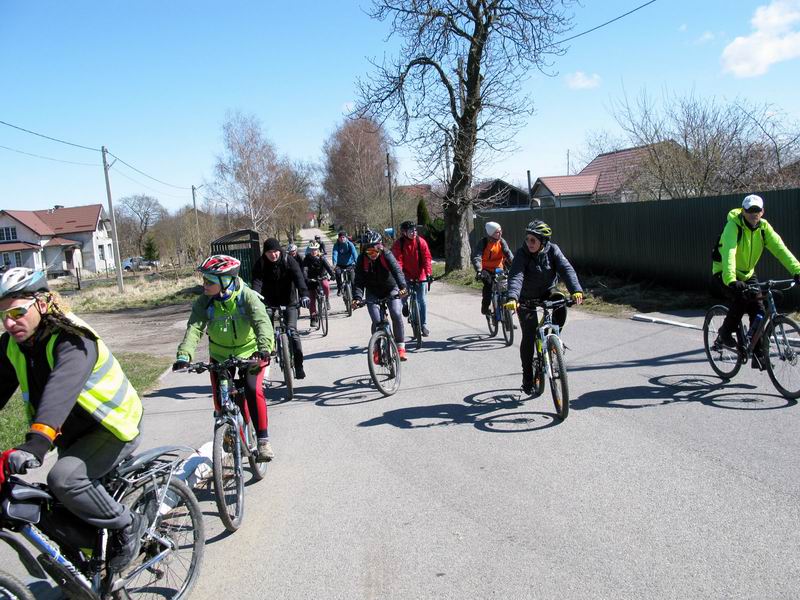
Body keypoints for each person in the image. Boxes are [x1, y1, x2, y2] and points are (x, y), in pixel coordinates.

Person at [0, 268, 146, 572]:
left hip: (112, 425)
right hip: (72, 431)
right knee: (58, 506)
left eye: (17, 311)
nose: (9, 322)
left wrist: (37, 443)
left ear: (41, 303)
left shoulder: (74, 338)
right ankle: (90, 565)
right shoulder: (13, 344)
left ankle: (128, 524)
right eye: (2, 314)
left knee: (64, 479)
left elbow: (59, 393)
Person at [173, 255, 275, 460]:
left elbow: (262, 323)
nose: (204, 285)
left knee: (253, 390)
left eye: (209, 281)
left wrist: (264, 348)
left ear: (225, 280)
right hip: (220, 354)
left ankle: (263, 441)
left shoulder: (247, 296)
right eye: (204, 280)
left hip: (250, 352)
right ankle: (228, 431)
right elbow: (194, 328)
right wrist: (184, 355)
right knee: (221, 401)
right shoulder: (204, 301)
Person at [711, 194, 800, 367]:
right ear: (743, 211)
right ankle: (725, 334)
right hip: (724, 271)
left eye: (757, 210)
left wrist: (797, 270)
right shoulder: (733, 226)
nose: (754, 214)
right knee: (742, 299)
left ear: (762, 211)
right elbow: (729, 252)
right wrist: (731, 280)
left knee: (759, 307)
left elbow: (781, 250)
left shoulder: (764, 228)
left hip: (747, 273)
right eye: (750, 210)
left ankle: (758, 354)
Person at [503, 221, 584, 395]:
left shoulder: (553, 250)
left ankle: (553, 339)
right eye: (527, 239)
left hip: (548, 291)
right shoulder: (522, 254)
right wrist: (513, 297)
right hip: (525, 298)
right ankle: (527, 377)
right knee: (529, 333)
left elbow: (566, 269)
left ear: (543, 241)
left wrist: (576, 290)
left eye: (533, 240)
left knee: (560, 301)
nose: (529, 243)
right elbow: (516, 276)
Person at [252, 238, 310, 379]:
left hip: (289, 300)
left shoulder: (288, 260)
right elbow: (257, 282)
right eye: (270, 252)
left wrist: (304, 295)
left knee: (293, 332)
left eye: (276, 251)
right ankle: (265, 367)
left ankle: (299, 365)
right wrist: (255, 297)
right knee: (266, 332)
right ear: (265, 253)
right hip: (269, 301)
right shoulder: (260, 264)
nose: (274, 255)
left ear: (280, 250)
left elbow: (299, 278)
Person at [352, 230, 409, 361]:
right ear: (364, 249)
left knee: (395, 313)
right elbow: (359, 281)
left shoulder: (386, 255)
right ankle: (377, 348)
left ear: (381, 246)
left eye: (377, 249)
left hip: (391, 288)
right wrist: (357, 298)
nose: (374, 253)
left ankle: (400, 347)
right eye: (370, 251)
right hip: (373, 291)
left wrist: (403, 288)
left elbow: (397, 271)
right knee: (377, 321)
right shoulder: (361, 260)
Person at [391, 220, 433, 336]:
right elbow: (397, 262)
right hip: (405, 275)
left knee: (422, 301)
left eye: (415, 230)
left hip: (420, 274)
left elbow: (427, 258)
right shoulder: (399, 244)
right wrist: (399, 277)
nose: (414, 232)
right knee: (403, 296)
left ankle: (423, 325)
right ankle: (405, 305)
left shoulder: (421, 242)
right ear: (404, 232)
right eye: (411, 230)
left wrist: (428, 273)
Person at [472, 221, 514, 315]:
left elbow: (508, 254)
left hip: (498, 269)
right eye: (497, 232)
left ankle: (508, 319)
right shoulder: (483, 243)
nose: (500, 233)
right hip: (485, 269)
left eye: (500, 231)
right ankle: (485, 308)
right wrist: (479, 270)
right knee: (488, 287)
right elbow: (477, 257)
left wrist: (515, 265)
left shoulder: (502, 242)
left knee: (504, 289)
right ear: (491, 233)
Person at [302, 241, 334, 327]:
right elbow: (304, 270)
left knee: (326, 285)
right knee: (312, 300)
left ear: (318, 250)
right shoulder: (307, 259)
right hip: (311, 280)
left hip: (322, 277)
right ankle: (313, 318)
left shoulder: (322, 258)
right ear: (309, 250)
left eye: (315, 249)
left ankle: (326, 300)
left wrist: (333, 275)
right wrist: (306, 278)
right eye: (312, 250)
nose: (313, 251)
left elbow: (328, 267)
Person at [332, 230, 358, 296]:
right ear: (338, 238)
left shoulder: (350, 244)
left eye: (343, 237)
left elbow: (354, 253)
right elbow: (335, 254)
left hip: (350, 264)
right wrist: (334, 264)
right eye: (341, 237)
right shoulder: (336, 245)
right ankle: (339, 288)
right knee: (337, 273)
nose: (342, 239)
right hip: (339, 265)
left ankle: (354, 294)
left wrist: (357, 262)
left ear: (346, 238)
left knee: (352, 280)